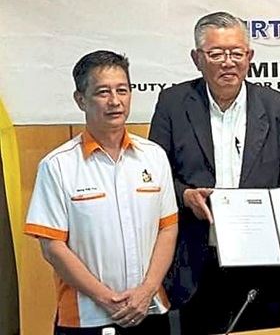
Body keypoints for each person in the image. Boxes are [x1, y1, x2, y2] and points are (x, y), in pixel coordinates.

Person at [148, 11, 280, 335]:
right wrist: (184, 195)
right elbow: (155, 172)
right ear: (197, 58)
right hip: (197, 256)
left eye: (236, 53)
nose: (228, 62)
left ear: (250, 56)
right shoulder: (173, 103)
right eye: (216, 53)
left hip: (262, 260)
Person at [24, 51, 178, 335]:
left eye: (123, 90)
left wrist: (146, 291)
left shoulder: (154, 156)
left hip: (150, 309)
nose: (115, 101)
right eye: (102, 92)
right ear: (81, 99)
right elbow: (53, 247)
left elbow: (167, 229)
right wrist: (106, 298)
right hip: (87, 317)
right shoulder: (58, 165)